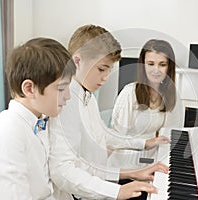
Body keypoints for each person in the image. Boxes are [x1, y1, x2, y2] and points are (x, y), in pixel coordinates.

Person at [48, 24, 169, 200]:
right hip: (83, 193)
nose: (105, 77)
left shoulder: (86, 95)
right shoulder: (66, 102)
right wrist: (118, 190)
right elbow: (63, 170)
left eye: (109, 70)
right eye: (102, 69)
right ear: (77, 61)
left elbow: (103, 135)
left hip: (99, 183)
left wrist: (143, 146)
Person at [0, 38, 75, 199]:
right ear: (29, 88)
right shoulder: (5, 131)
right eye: (61, 88)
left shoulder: (40, 121)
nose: (68, 96)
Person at [107, 39, 184, 170]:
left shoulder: (173, 96)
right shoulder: (129, 93)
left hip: (152, 164)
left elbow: (171, 136)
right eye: (150, 64)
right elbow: (116, 139)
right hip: (123, 166)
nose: (156, 70)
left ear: (169, 67)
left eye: (162, 64)